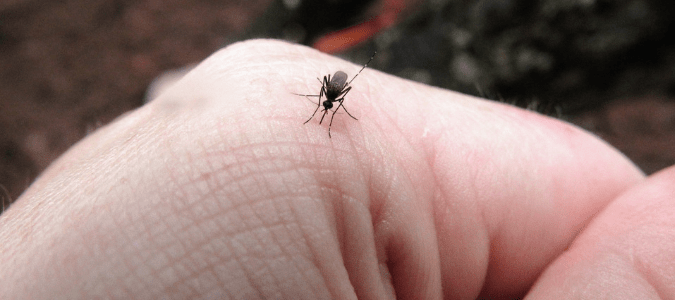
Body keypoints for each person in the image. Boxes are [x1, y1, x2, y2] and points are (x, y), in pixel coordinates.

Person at [0, 40, 670, 299]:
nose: (329, 103)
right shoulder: (321, 100)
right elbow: (326, 98)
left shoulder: (335, 96)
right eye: (331, 98)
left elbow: (337, 95)